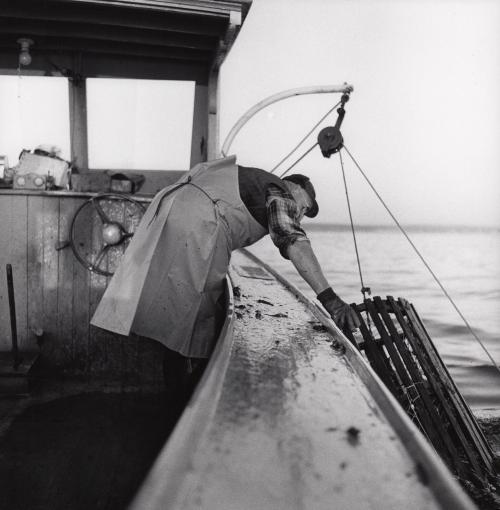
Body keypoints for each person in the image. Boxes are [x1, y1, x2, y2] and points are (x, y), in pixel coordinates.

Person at [91, 156, 358, 402]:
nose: (300, 215)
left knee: (176, 310)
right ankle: (190, 403)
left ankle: (179, 393)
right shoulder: (281, 193)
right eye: (304, 208)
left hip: (173, 207)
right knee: (199, 316)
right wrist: (331, 301)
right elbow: (293, 241)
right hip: (201, 221)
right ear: (296, 189)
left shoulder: (259, 184)